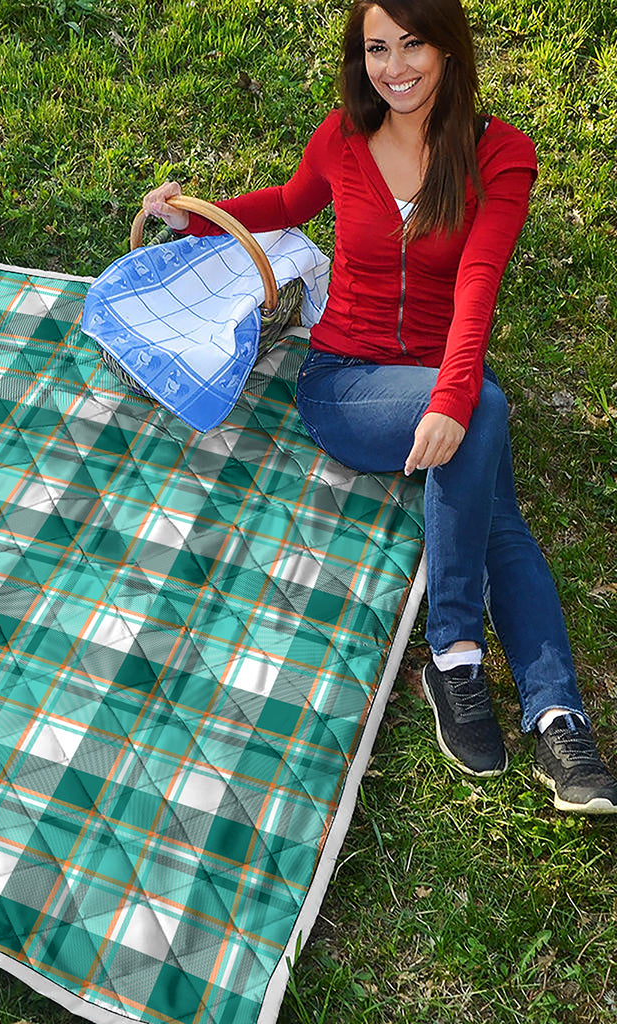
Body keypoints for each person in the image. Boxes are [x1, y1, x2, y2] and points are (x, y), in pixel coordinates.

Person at [141, 0, 617, 814]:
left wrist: (454, 396)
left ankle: (549, 713)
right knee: (486, 421)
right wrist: (196, 221)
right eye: (376, 49)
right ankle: (465, 657)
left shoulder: (500, 156)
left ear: (448, 48)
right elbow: (289, 204)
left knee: (492, 479)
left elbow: (478, 284)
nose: (394, 67)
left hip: (437, 375)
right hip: (344, 383)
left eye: (413, 44)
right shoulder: (343, 137)